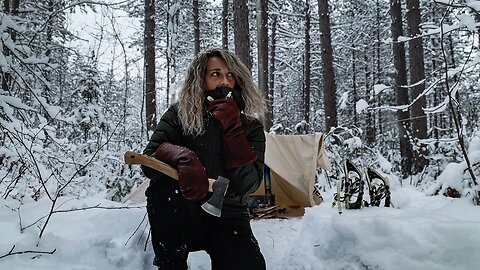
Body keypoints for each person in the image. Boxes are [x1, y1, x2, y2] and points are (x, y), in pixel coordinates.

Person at [141, 48, 267, 270]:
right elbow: (149, 159)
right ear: (200, 79)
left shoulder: (251, 127)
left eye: (230, 75)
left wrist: (233, 130)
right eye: (215, 74)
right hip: (184, 212)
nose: (224, 81)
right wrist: (180, 156)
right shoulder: (180, 115)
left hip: (229, 215)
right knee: (162, 188)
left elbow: (249, 184)